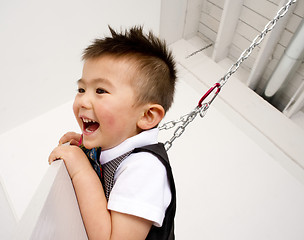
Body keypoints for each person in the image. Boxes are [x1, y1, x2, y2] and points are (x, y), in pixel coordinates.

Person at [48, 26, 177, 240]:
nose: (82, 101)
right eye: (81, 89)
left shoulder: (145, 168)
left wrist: (80, 166)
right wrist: (85, 146)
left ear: (147, 116)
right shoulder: (114, 150)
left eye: (100, 91)